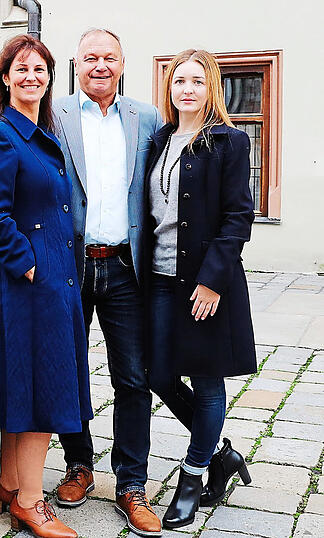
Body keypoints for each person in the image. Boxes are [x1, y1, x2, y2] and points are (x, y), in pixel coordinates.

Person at [0, 34, 88, 538]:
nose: (32, 77)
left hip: (48, 281)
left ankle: (8, 484)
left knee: (25, 385)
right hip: (25, 285)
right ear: (5, 77)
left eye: (40, 70)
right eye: (22, 69)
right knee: (42, 388)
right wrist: (28, 265)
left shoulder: (40, 134)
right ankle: (33, 503)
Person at [51, 29, 163, 537]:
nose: (99, 64)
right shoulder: (53, 117)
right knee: (70, 371)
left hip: (124, 266)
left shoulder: (146, 118)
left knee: (133, 378)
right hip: (71, 265)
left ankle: (131, 483)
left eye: (109, 57)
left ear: (122, 64)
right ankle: (78, 465)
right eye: (89, 57)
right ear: (75, 65)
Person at [143, 48, 256, 529]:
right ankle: (222, 454)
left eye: (197, 80)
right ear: (169, 89)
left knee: (207, 382)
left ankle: (193, 477)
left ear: (211, 87)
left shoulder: (229, 142)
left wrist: (212, 281)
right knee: (158, 375)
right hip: (160, 279)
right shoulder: (160, 139)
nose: (187, 89)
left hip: (206, 282)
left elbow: (238, 217)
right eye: (178, 81)